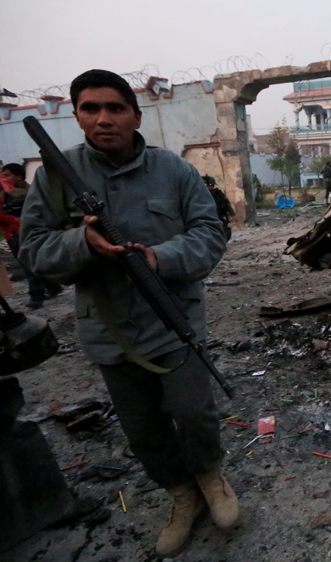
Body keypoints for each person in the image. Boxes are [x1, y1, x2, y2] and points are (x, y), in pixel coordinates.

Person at [18, 69, 237, 558]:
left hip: (174, 319)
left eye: (115, 108)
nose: (103, 119)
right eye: (90, 109)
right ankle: (181, 496)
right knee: (142, 430)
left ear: (136, 116)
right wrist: (83, 243)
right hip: (109, 329)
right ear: (76, 116)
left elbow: (210, 234)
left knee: (194, 413)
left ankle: (210, 478)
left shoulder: (173, 171)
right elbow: (32, 252)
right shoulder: (54, 178)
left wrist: (160, 257)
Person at [1, 163, 63, 308]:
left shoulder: (31, 192)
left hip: (30, 231)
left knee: (30, 262)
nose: (3, 178)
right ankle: (53, 287)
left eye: (7, 175)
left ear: (19, 177)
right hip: (13, 234)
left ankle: (36, 296)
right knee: (29, 262)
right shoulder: (3, 193)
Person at [202, 175, 234, 241]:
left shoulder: (218, 193)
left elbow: (226, 203)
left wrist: (231, 213)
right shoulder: (201, 195)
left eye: (212, 185)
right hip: (206, 218)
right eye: (208, 185)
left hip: (219, 216)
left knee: (225, 231)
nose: (210, 187)